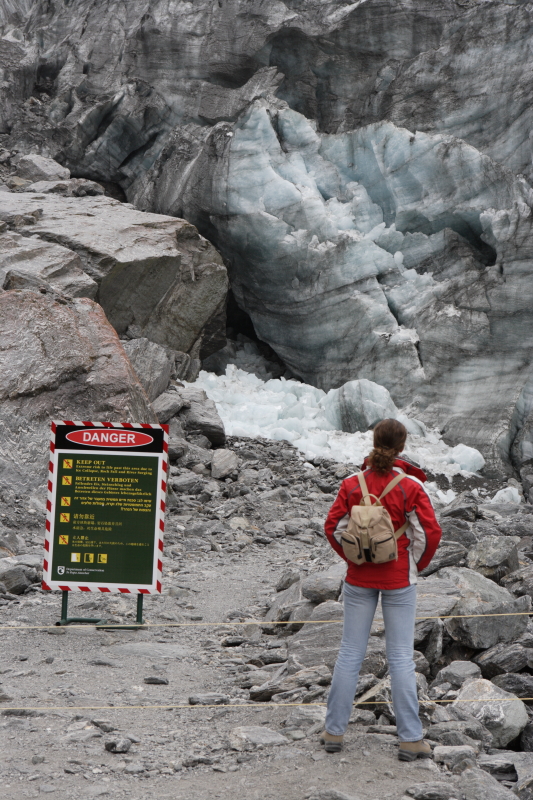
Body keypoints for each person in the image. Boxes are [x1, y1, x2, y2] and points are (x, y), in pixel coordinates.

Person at [320, 418, 442, 761]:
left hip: (359, 579)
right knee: (401, 656)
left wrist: (352, 558)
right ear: (402, 447)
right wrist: (414, 563)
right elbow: (430, 533)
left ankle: (333, 732)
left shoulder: (351, 483)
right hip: (399, 579)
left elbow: (333, 527)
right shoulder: (411, 487)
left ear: (373, 442)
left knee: (349, 653)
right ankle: (410, 739)